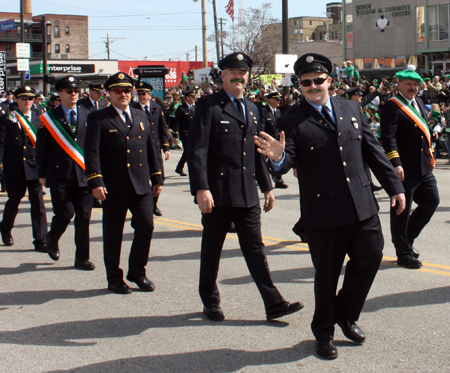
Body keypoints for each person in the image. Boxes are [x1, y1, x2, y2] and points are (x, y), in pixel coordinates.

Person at [254, 53, 405, 359]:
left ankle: (345, 314)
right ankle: (323, 333)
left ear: (329, 82)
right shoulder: (290, 120)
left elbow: (373, 150)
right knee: (326, 276)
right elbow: (286, 161)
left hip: (362, 206)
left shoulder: (350, 107)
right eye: (306, 82)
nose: (312, 86)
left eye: (318, 80)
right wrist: (278, 157)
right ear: (299, 85)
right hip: (323, 213)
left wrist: (396, 188)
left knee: (371, 257)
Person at [187, 52, 303, 323]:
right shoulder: (208, 106)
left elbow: (257, 151)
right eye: (233, 72)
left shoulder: (252, 108)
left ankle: (274, 303)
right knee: (212, 249)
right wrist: (201, 188)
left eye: (243, 73)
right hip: (218, 193)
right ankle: (210, 300)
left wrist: (267, 187)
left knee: (255, 250)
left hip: (247, 192)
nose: (239, 77)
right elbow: (197, 151)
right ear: (223, 75)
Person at [84, 72, 163, 294]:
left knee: (146, 226)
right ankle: (114, 278)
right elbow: (92, 153)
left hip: (140, 185)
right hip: (113, 186)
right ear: (108, 94)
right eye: (118, 91)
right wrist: (95, 180)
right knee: (113, 234)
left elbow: (150, 148)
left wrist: (157, 177)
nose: (123, 94)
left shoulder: (140, 115)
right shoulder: (99, 118)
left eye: (127, 90)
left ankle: (137, 271)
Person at [380, 65, 440, 269]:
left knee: (431, 201)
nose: (413, 88)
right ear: (399, 84)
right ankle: (403, 253)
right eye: (409, 84)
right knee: (401, 210)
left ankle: (405, 239)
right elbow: (388, 138)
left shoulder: (420, 102)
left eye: (415, 84)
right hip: (404, 167)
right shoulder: (392, 106)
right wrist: (395, 163)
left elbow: (421, 128)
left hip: (423, 166)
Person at [36, 76, 95, 271]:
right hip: (60, 175)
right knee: (65, 213)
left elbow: (94, 147)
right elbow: (42, 148)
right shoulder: (49, 118)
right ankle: (52, 237)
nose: (73, 94)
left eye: (76, 91)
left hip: (84, 175)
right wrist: (42, 173)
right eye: (69, 91)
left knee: (84, 217)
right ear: (60, 94)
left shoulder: (88, 114)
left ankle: (82, 258)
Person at [0, 86, 47, 251]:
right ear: (17, 100)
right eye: (24, 98)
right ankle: (5, 229)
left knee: (38, 204)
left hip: (34, 168)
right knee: (13, 202)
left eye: (30, 98)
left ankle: (40, 239)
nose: (28, 101)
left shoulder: (39, 118)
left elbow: (44, 144)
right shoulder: (7, 119)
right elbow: (1, 144)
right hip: (15, 168)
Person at [132, 81, 170, 216]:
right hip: (140, 149)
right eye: (139, 94)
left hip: (155, 148)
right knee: (142, 177)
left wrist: (166, 146)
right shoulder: (133, 108)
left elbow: (162, 127)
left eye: (144, 94)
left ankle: (154, 204)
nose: (141, 97)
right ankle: (143, 205)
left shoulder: (156, 108)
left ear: (149, 95)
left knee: (160, 177)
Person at [259, 91, 288, 189]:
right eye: (277, 99)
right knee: (261, 162)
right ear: (270, 100)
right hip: (266, 140)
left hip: (275, 140)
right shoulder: (263, 110)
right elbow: (261, 125)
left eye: (279, 99)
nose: (279, 101)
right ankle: (260, 180)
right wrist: (262, 139)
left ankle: (278, 181)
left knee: (276, 160)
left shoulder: (278, 111)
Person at [173, 90, 196, 176]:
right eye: (192, 97)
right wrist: (175, 135)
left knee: (191, 152)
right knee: (188, 151)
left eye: (194, 97)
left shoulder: (195, 107)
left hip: (194, 133)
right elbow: (177, 123)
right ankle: (184, 168)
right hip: (185, 133)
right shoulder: (181, 108)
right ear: (187, 98)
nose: (194, 98)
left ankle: (179, 168)